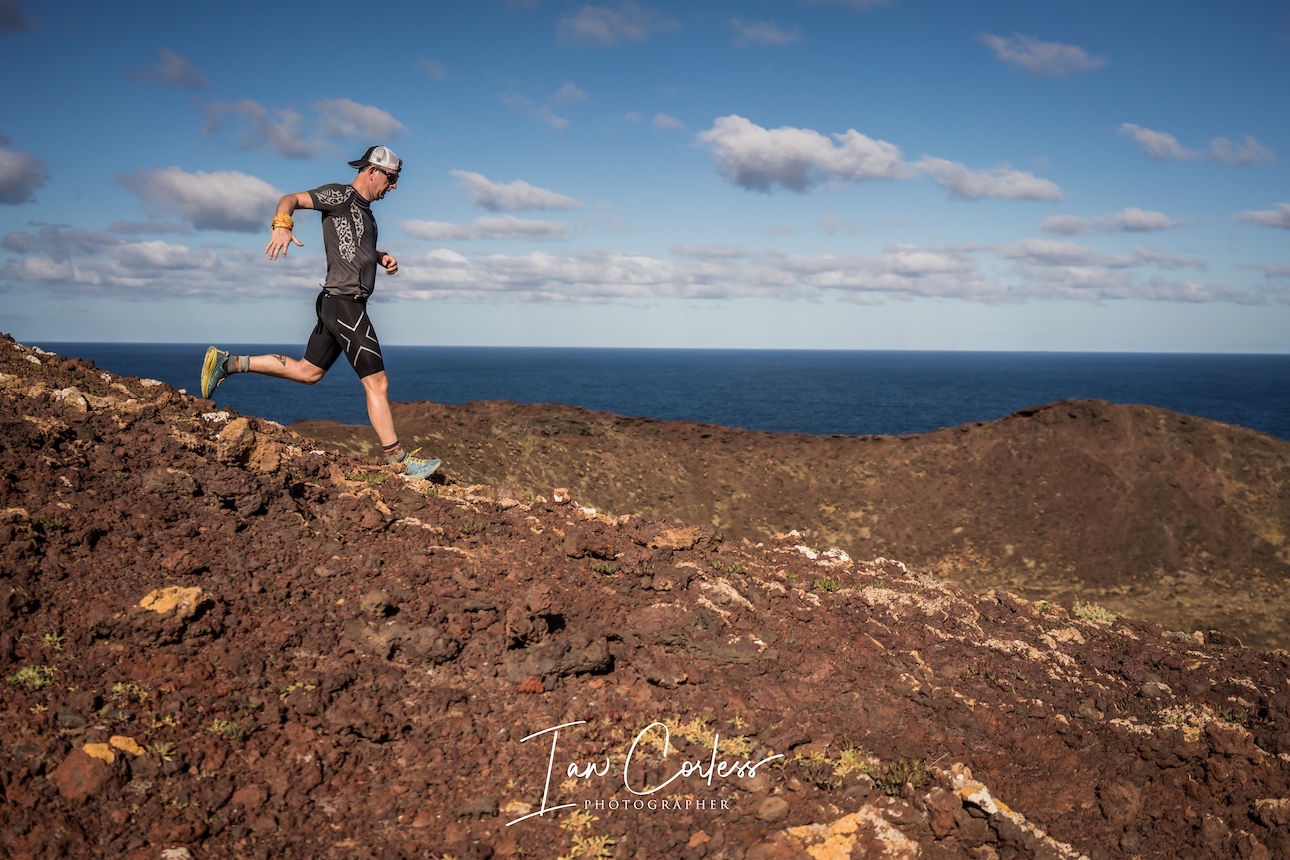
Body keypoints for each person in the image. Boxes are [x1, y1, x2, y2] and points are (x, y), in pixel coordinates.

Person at [199, 145, 441, 479]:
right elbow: (289, 199)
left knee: (307, 373)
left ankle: (227, 363)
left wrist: (380, 256)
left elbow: (356, 248)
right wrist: (281, 225)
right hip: (344, 303)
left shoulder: (368, 214)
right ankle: (398, 461)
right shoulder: (339, 196)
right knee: (378, 383)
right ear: (373, 171)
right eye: (391, 178)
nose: (394, 186)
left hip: (337, 303)